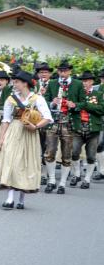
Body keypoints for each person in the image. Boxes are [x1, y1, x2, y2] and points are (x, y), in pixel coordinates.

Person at [0, 71, 53, 209]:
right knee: (11, 161)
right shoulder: (11, 99)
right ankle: (10, 197)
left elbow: (48, 117)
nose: (14, 84)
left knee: (25, 163)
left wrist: (36, 126)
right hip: (14, 130)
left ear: (25, 83)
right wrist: (1, 137)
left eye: (17, 82)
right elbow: (6, 120)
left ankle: (21, 199)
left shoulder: (37, 99)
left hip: (29, 133)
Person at [43, 60, 83, 194]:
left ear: (70, 71)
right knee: (49, 153)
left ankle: (62, 184)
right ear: (58, 71)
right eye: (61, 70)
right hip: (53, 121)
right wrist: (52, 103)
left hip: (69, 122)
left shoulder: (77, 84)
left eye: (65, 70)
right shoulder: (53, 83)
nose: (63, 73)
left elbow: (83, 102)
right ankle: (52, 181)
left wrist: (75, 105)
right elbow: (45, 101)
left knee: (66, 155)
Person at [69, 71, 104, 189]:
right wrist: (76, 106)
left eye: (87, 80)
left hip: (93, 128)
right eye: (83, 81)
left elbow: (101, 109)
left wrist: (84, 105)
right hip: (78, 127)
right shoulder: (75, 94)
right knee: (74, 152)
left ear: (92, 82)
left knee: (91, 156)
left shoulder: (98, 94)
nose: (84, 83)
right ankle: (77, 174)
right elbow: (71, 108)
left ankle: (87, 179)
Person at [35, 62, 53, 185]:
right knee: (39, 147)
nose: (43, 74)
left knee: (49, 148)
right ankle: (41, 173)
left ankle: (47, 174)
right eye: (41, 72)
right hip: (36, 120)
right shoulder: (34, 85)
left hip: (50, 120)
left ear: (50, 74)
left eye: (46, 72)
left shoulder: (55, 84)